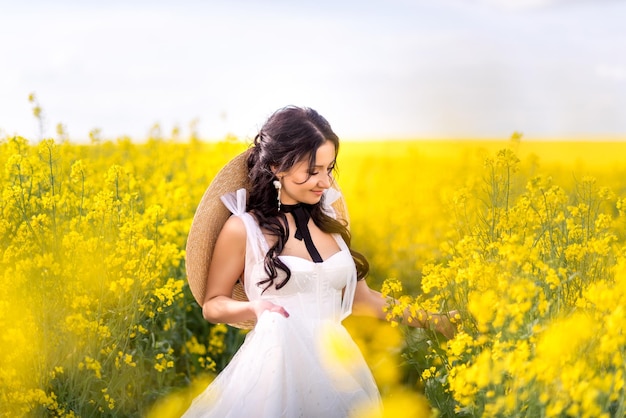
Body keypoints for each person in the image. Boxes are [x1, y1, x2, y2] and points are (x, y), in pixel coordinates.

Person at [183, 106, 456, 418]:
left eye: (328, 169)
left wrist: (436, 320)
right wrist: (253, 308)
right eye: (312, 171)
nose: (324, 182)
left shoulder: (331, 223)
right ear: (277, 166)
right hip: (276, 368)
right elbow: (213, 304)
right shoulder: (243, 229)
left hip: (338, 368)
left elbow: (364, 299)